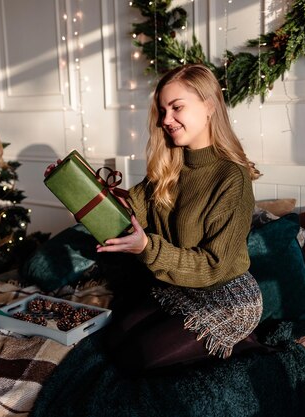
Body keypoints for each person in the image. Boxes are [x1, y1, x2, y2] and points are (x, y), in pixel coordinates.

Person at [97, 63, 263, 373]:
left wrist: (147, 248)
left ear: (209, 105)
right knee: (113, 340)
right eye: (162, 110)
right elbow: (128, 209)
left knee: (140, 358)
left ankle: (244, 342)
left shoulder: (231, 177)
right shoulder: (169, 165)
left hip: (225, 295)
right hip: (176, 288)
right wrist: (79, 190)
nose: (165, 120)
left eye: (176, 108)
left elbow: (214, 266)